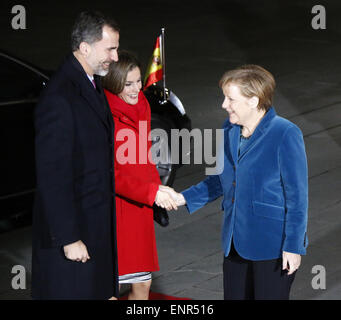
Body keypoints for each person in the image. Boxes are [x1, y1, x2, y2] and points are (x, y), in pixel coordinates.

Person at [162, 65, 308, 300]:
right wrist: (181, 198)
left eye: (230, 99)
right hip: (234, 242)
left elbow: (298, 198)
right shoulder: (229, 129)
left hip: (272, 247)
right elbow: (219, 181)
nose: (224, 105)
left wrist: (293, 246)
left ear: (253, 100)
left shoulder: (286, 133)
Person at [32, 11, 120, 300]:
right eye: (110, 48)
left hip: (94, 226)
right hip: (72, 236)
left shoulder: (90, 83)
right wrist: (68, 238)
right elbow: (52, 175)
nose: (115, 57)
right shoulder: (60, 97)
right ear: (85, 47)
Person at [102, 51, 177, 300]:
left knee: (143, 285)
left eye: (137, 82)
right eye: (128, 84)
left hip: (141, 209)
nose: (136, 90)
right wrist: (152, 192)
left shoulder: (141, 106)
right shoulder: (105, 118)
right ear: (114, 84)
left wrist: (158, 190)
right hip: (117, 213)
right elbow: (111, 175)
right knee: (110, 289)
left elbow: (145, 157)